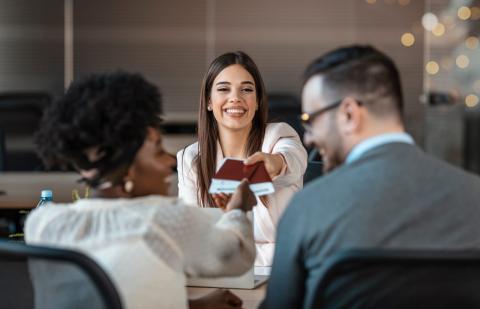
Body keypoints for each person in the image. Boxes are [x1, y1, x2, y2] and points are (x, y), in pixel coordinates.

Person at [261, 45, 480, 308]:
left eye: (310, 120)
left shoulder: (308, 208)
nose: (308, 136)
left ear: (349, 115)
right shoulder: (474, 195)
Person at [25, 72, 257, 309]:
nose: (169, 162)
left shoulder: (42, 224)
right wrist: (238, 208)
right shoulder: (166, 220)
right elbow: (238, 256)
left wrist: (193, 305)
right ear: (128, 171)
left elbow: (103, 294)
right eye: (157, 151)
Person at [177, 51, 307, 266]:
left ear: (257, 101)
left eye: (246, 89)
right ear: (209, 101)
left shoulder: (279, 136)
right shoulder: (190, 158)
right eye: (223, 89)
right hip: (222, 280)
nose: (235, 97)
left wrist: (276, 164)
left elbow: (294, 159)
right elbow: (194, 243)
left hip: (282, 272)